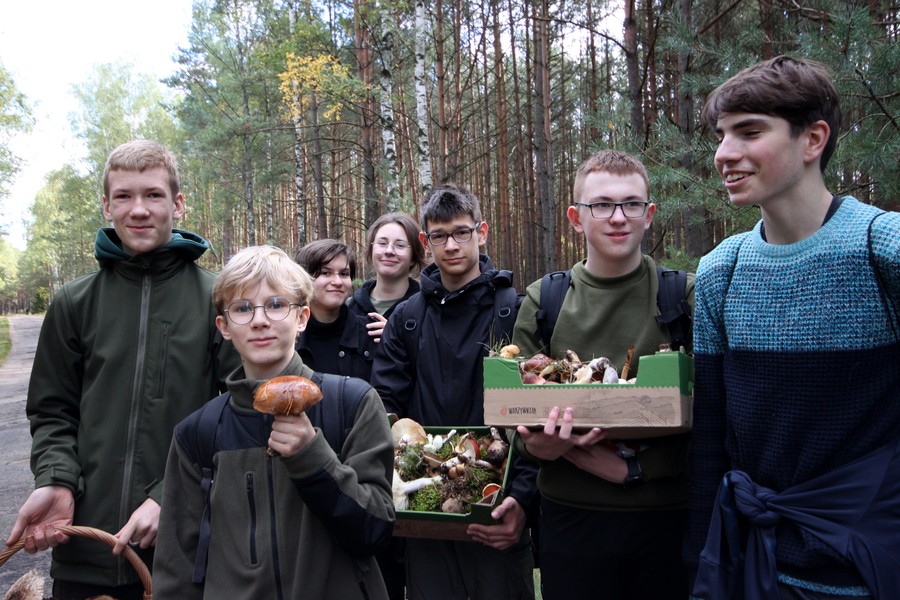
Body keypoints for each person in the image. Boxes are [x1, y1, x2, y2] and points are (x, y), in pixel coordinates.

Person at [684, 56, 900, 599]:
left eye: (749, 132)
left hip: (869, 565)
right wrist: (699, 562)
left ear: (813, 140)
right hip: (753, 566)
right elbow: (712, 440)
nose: (724, 154)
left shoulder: (882, 249)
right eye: (721, 135)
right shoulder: (721, 271)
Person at [4, 140, 240, 600]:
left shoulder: (218, 299)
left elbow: (237, 413)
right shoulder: (75, 302)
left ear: (177, 203)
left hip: (183, 546)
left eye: (153, 195)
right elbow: (52, 411)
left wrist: (170, 493)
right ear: (107, 205)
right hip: (83, 543)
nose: (139, 210)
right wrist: (55, 479)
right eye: (124, 196)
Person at [153, 245, 395, 599]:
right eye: (243, 308)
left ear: (302, 318)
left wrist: (312, 456)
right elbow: (177, 567)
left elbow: (374, 530)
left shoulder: (353, 404)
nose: (260, 320)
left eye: (277, 305)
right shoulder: (198, 434)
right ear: (223, 326)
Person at [509, 149, 694, 600]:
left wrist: (632, 468)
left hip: (665, 519)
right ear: (576, 217)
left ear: (649, 215)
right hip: (571, 520)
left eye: (632, 204)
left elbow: (713, 417)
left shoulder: (682, 295)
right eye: (601, 205)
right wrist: (539, 444)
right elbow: (512, 408)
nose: (618, 217)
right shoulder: (545, 300)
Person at [371, 184, 536, 600]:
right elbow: (385, 405)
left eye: (461, 233)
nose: (452, 245)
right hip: (427, 500)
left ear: (481, 233)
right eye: (439, 235)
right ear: (425, 243)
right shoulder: (407, 319)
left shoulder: (514, 310)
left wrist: (523, 498)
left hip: (497, 501)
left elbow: (537, 410)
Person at [294, 238, 375, 380]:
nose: (337, 282)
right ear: (304, 279)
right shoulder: (288, 336)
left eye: (344, 274)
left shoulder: (371, 333)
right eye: (325, 273)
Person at [348, 211, 429, 343]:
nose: (389, 251)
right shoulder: (349, 307)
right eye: (382, 243)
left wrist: (399, 337)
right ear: (371, 249)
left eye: (400, 245)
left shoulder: (427, 308)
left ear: (413, 258)